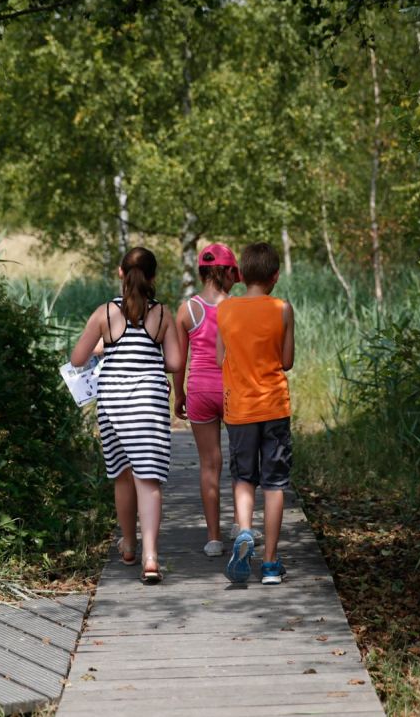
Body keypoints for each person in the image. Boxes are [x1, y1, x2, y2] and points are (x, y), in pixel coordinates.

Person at [71, 247, 180, 584]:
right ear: (153, 277)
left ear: (121, 273)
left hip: (114, 403)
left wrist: (106, 346)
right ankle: (150, 557)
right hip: (149, 402)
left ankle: (129, 545)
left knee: (122, 475)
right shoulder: (162, 315)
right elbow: (175, 363)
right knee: (148, 479)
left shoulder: (104, 313)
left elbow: (78, 358)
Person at [217, 242, 295, 585]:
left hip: (240, 411)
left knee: (244, 477)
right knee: (275, 483)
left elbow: (222, 357)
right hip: (274, 406)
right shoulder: (283, 308)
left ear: (241, 275)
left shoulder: (225, 310)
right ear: (275, 276)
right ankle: (270, 563)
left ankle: (246, 531)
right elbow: (287, 361)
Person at [172, 243, 239, 557]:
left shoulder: (188, 309)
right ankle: (241, 523)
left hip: (199, 390)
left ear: (201, 272)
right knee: (240, 460)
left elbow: (177, 360)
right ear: (227, 272)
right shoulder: (236, 308)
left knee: (209, 465)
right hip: (233, 391)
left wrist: (179, 393)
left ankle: (214, 539)